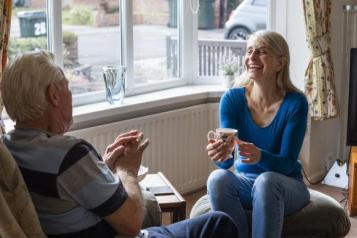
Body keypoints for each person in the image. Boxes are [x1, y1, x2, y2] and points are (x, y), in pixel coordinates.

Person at [1, 50, 239, 238]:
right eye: (68, 87)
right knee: (219, 222)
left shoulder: (8, 146)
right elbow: (131, 224)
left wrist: (101, 166)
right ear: (54, 95)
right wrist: (128, 170)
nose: (70, 95)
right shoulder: (70, 154)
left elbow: (62, 193)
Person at [206, 30, 310, 238]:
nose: (251, 58)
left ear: (280, 63)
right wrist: (221, 154)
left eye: (262, 52)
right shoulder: (232, 100)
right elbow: (227, 164)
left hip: (286, 185)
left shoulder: (295, 103)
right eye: (249, 51)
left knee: (267, 181)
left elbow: (288, 163)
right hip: (246, 182)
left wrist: (260, 156)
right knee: (217, 178)